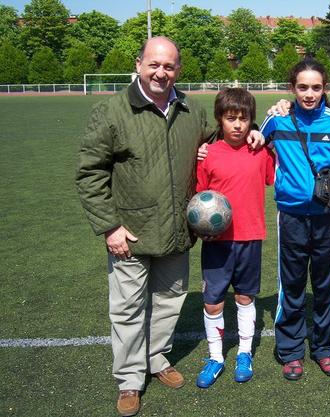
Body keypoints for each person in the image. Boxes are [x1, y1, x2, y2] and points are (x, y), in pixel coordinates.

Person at [75, 37, 262, 416]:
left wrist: (255, 129)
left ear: (178, 69)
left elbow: (224, 135)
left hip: (179, 231)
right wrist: (109, 226)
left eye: (169, 66)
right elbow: (90, 173)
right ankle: (130, 379)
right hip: (130, 232)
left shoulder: (190, 109)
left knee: (168, 303)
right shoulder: (112, 111)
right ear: (140, 64)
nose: (161, 72)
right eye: (154, 64)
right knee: (127, 309)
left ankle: (157, 359)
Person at [260, 58, 330, 381]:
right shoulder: (277, 119)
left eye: (316, 87)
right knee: (292, 285)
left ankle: (325, 348)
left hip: (328, 218)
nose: (309, 94)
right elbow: (252, 143)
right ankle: (291, 351)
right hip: (292, 217)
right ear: (292, 88)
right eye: (302, 87)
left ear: (325, 88)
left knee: (325, 285)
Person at [194, 88, 275, 388]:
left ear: (252, 121)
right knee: (212, 302)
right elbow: (198, 198)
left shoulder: (261, 152)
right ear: (220, 119)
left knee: (244, 297)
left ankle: (243, 353)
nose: (238, 125)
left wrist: (269, 139)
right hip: (217, 242)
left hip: (250, 237)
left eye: (244, 119)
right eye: (231, 119)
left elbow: (274, 177)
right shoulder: (208, 154)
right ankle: (216, 357)